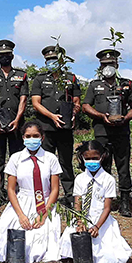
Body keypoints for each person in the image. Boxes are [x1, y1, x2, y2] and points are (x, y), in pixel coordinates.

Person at [0, 121, 62, 263]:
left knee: (40, 246)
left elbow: (55, 189)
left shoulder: (51, 159)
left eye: (35, 136)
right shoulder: (15, 158)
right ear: (23, 138)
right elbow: (11, 189)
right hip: (22, 202)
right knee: (11, 241)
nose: (32, 139)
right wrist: (21, 215)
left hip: (45, 203)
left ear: (42, 138)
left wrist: (44, 214)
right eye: (28, 136)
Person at [82, 49, 132, 218]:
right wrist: (101, 116)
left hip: (121, 132)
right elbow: (86, 106)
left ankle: (124, 203)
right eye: (104, 64)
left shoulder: (126, 84)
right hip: (102, 132)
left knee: (123, 167)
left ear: (117, 65)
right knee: (103, 166)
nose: (108, 67)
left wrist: (126, 118)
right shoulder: (94, 85)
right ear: (100, 67)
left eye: (111, 64)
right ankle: (102, 201)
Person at [59, 140, 132, 263]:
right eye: (87, 158)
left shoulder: (108, 180)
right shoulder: (80, 179)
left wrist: (97, 226)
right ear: (82, 158)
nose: (91, 161)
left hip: (100, 221)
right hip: (82, 218)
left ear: (102, 157)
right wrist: (80, 221)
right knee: (67, 243)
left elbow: (107, 207)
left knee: (110, 255)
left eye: (95, 158)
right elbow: (77, 203)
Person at [30, 45, 82, 206]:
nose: (51, 62)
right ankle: (45, 195)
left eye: (54, 59)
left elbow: (77, 102)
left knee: (66, 161)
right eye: (48, 60)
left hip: (65, 128)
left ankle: (69, 196)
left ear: (61, 60)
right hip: (45, 127)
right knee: (45, 162)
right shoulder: (40, 79)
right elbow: (35, 103)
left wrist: (73, 113)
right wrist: (52, 116)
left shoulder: (70, 78)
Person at [0, 39, 28, 196]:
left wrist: (17, 119)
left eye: (7, 54)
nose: (5, 57)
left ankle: (17, 190)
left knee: (17, 158)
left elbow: (23, 99)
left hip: (16, 123)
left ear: (12, 56)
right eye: (1, 55)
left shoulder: (21, 76)